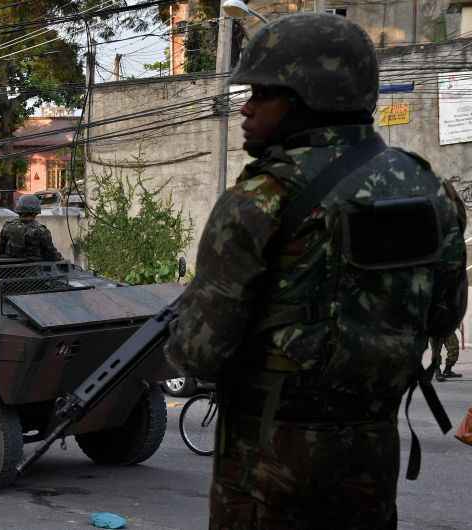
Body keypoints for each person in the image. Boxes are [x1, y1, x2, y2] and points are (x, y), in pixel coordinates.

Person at [164, 13, 468, 530]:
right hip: (370, 452)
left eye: (262, 93)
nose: (245, 107)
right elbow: (444, 315)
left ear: (307, 99)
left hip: (268, 461)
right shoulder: (427, 188)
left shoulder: (258, 199)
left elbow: (198, 352)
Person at [0, 194, 62, 261]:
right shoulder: (41, 231)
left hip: (9, 271)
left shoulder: (7, 227)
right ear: (36, 212)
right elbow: (52, 255)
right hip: (34, 271)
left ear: (19, 210)